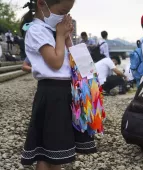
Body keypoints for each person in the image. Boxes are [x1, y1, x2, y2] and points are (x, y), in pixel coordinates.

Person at [19, 0, 97, 169]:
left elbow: (83, 64)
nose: (63, 17)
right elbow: (55, 62)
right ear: (42, 4)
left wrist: (67, 36)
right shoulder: (36, 30)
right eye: (62, 11)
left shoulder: (52, 29)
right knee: (49, 150)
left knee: (58, 150)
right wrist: (60, 36)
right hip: (52, 92)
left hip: (64, 91)